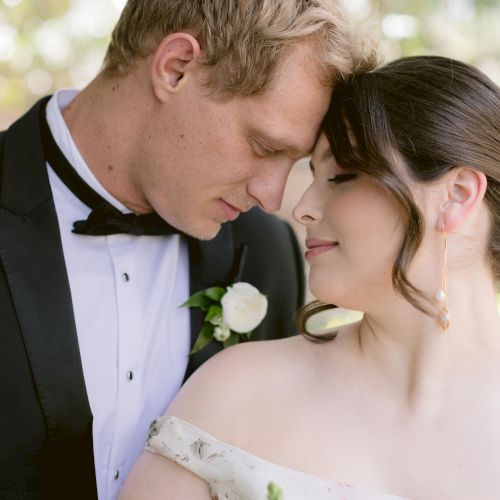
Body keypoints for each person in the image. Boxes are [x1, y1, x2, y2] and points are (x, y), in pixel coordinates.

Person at [0, 1, 374, 498]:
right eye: (264, 146)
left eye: (295, 162)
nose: (272, 196)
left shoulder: (267, 252)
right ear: (176, 69)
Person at [120, 55, 500, 499]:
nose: (301, 206)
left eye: (341, 176)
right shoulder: (238, 390)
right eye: (312, 174)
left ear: (456, 196)